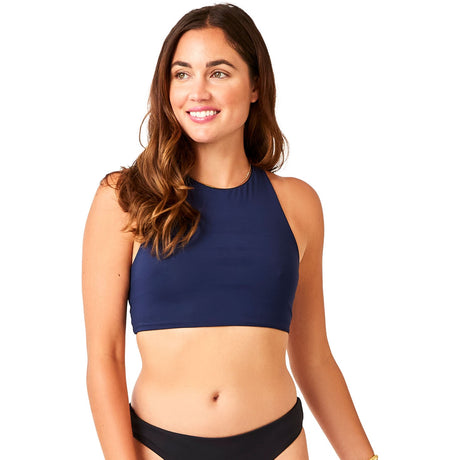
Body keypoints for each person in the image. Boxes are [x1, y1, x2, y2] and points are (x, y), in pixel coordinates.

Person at [82, 3, 378, 459]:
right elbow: (105, 357)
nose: (197, 91)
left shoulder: (298, 204)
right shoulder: (124, 196)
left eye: (218, 73)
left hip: (279, 445)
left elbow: (314, 357)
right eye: (182, 74)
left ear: (256, 85)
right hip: (159, 446)